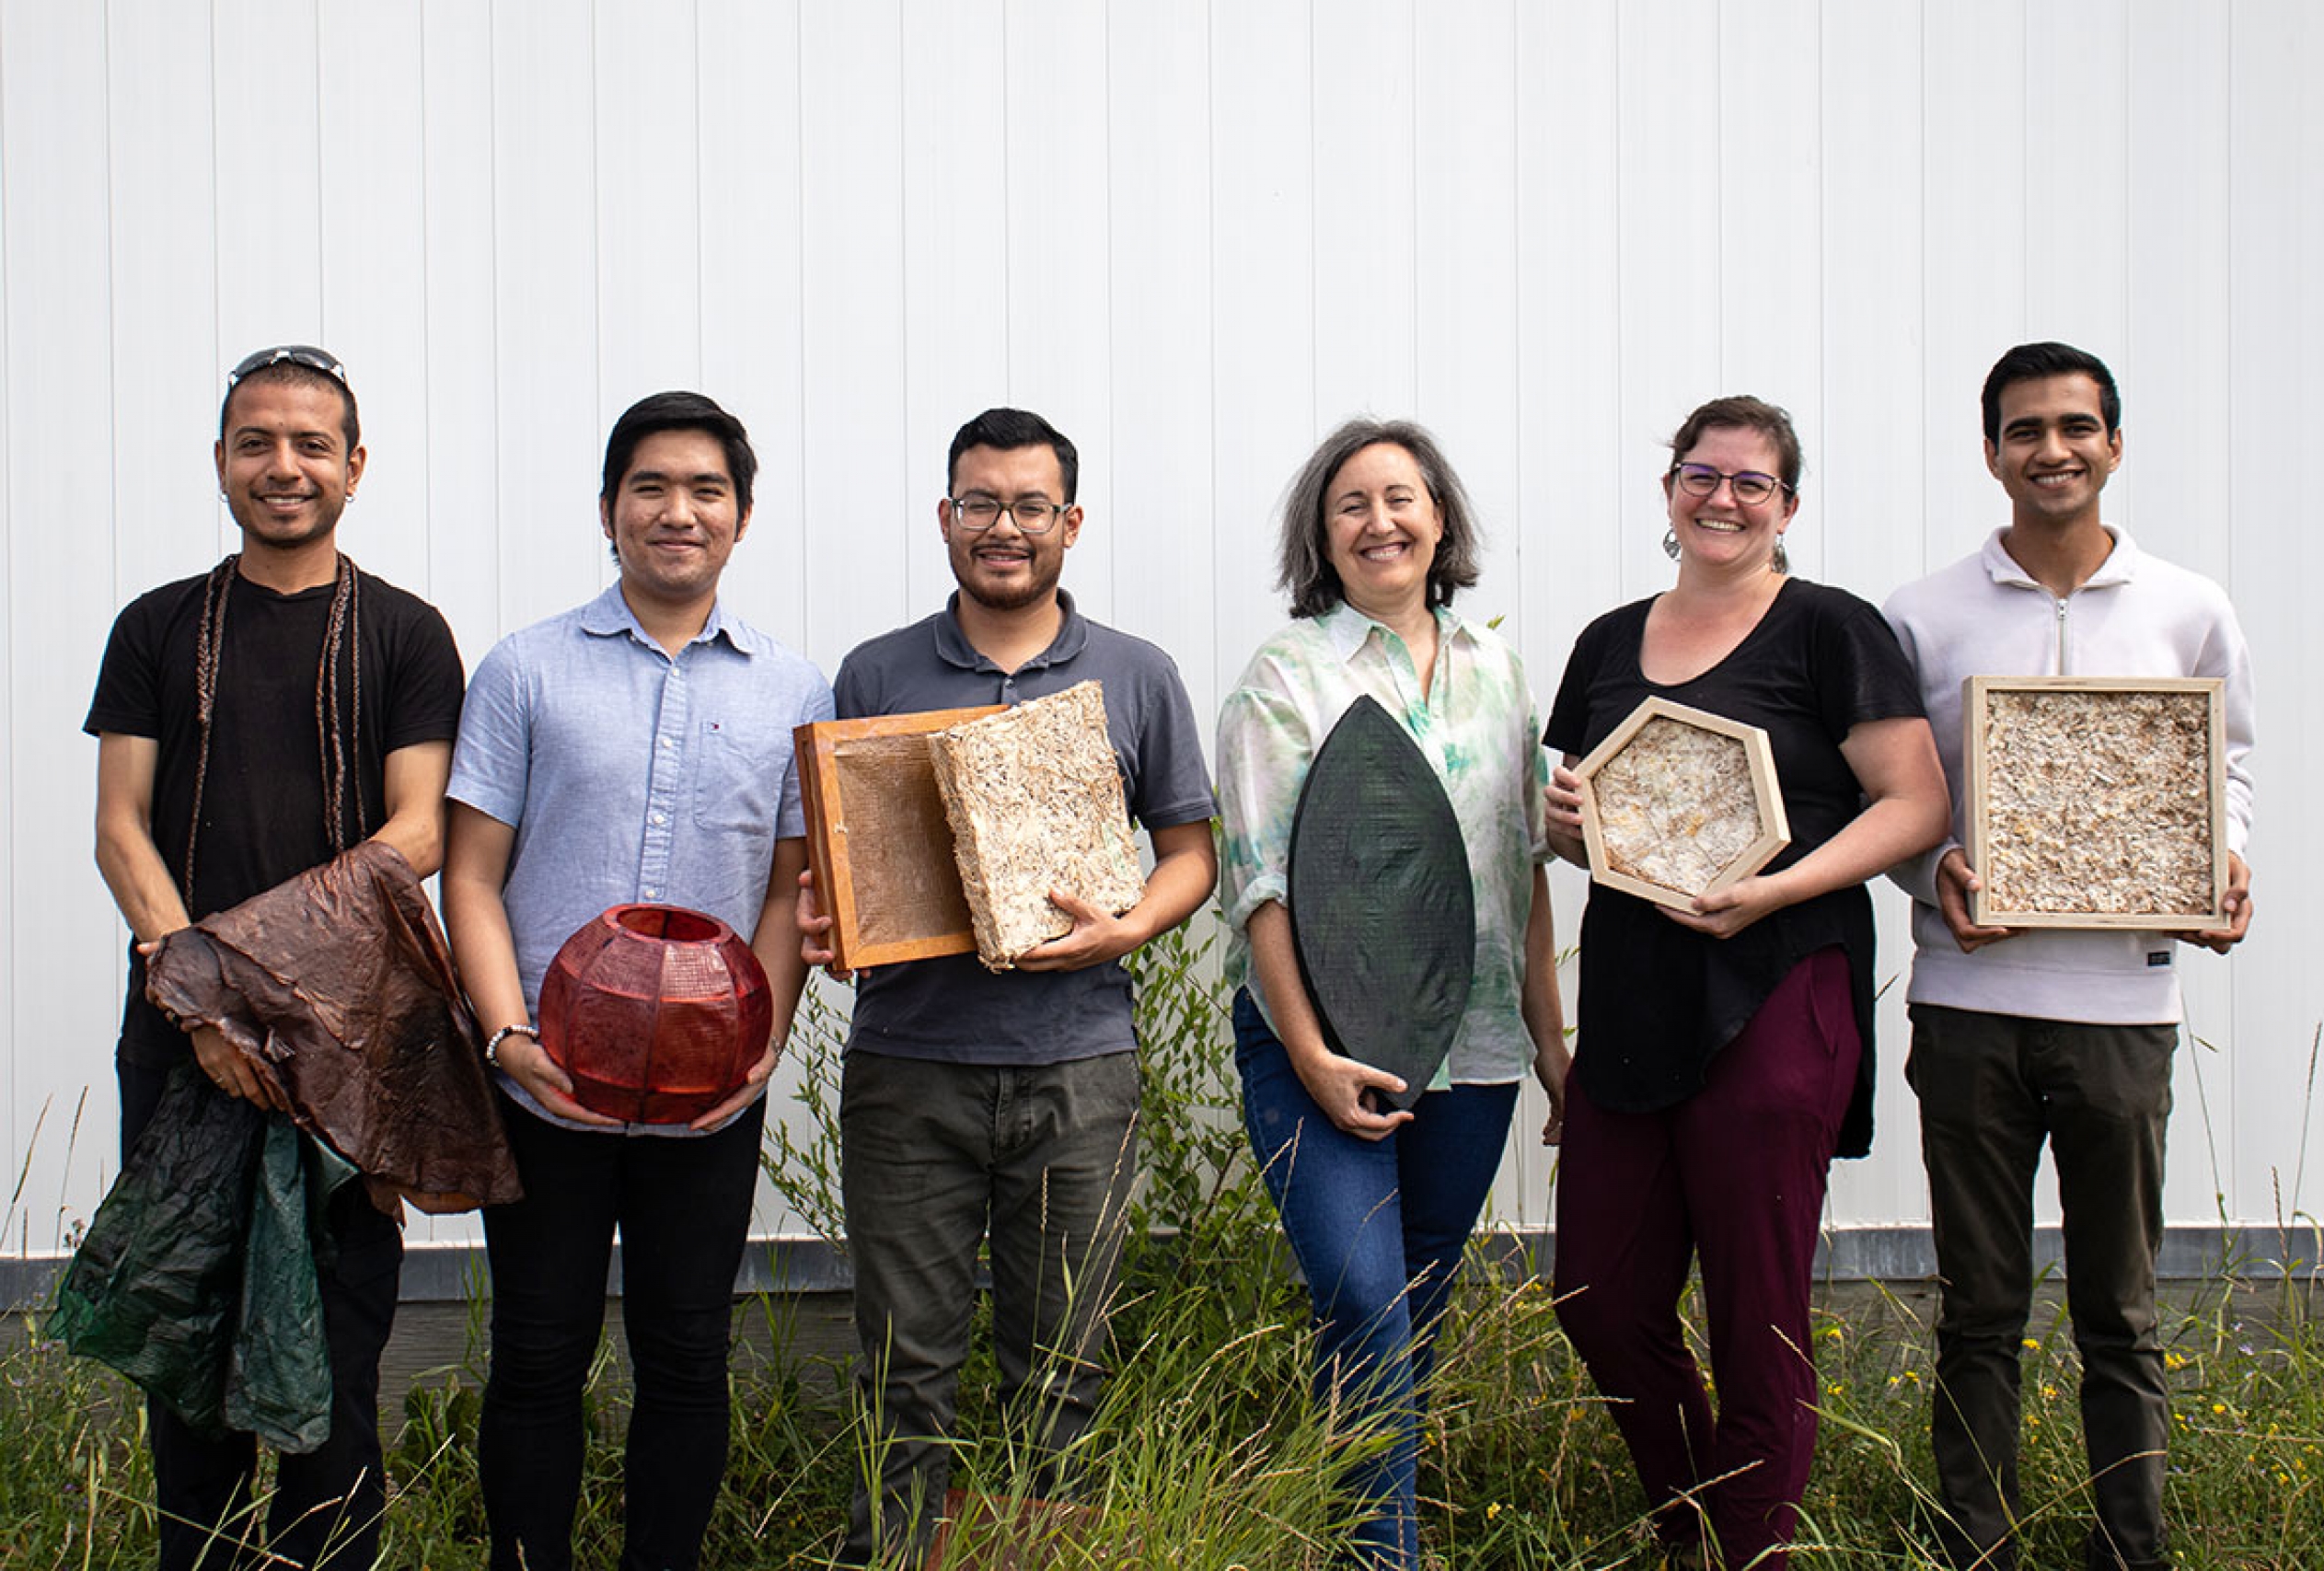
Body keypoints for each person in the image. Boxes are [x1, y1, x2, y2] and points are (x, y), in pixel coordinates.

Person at [799, 407, 1216, 1566]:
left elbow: (1193, 852)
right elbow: (841, 867)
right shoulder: (876, 672)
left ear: (1069, 524)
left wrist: (1125, 924)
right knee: (903, 1364)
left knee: (1065, 1364)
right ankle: (890, 1556)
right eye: (979, 503)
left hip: (1078, 1067)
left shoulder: (1136, 675)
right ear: (945, 518)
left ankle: (1046, 1555)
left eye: (1030, 506)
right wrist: (831, 919)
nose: (1003, 528)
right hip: (911, 1067)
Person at [1544, 396, 1948, 1570]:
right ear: (1668, 487)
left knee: (1754, 1312)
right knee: (1597, 1298)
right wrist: (1570, 825)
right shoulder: (1609, 640)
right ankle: (1695, 1521)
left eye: (1750, 483)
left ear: (1788, 507)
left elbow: (1914, 803)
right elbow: (1591, 834)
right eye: (1700, 475)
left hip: (1775, 987)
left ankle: (1747, 1551)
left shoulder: (1829, 628)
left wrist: (1773, 890)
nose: (1721, 498)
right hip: (1632, 996)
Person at [86, 344, 467, 1570]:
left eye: (311, 444)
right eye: (257, 442)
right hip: (180, 1040)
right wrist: (201, 999)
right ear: (220, 464)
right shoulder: (155, 625)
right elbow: (119, 827)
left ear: (355, 467)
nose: (283, 466)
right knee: (187, 1365)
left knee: (337, 1383)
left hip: (348, 1047)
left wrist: (266, 996)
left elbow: (419, 831)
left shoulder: (406, 633)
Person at [441, 391, 831, 1571]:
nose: (678, 512)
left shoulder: (792, 688)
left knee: (685, 1356)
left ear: (742, 517)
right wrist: (508, 1041)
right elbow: (470, 875)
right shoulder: (524, 670)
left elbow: (784, 891)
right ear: (609, 510)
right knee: (537, 1356)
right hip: (543, 1082)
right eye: (651, 488)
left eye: (706, 490)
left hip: (709, 1097)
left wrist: (754, 1054)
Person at [1881, 342, 2254, 1571]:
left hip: (2124, 1003)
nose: (2054, 449)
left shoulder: (2189, 605)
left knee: (2123, 1315)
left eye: (2077, 426)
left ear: (2115, 443)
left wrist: (2226, 858)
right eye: (2026, 429)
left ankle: (2128, 1548)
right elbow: (1893, 797)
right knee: (1981, 1311)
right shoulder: (1923, 614)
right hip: (1970, 998)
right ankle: (1972, 1547)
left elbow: (2225, 765)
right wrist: (1924, 869)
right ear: (1990, 451)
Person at [1215, 417, 1567, 1570]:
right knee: (1365, 1299)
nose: (1381, 521)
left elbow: (1519, 874)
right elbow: (1258, 886)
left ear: (1441, 519)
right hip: (1317, 1042)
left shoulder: (1497, 670)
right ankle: (1385, 1558)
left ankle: (1347, 1525)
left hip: (1470, 1050)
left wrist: (1552, 1051)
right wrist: (1308, 1054)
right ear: (1322, 536)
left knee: (1413, 1307)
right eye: (1351, 504)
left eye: (1401, 498)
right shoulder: (1288, 675)